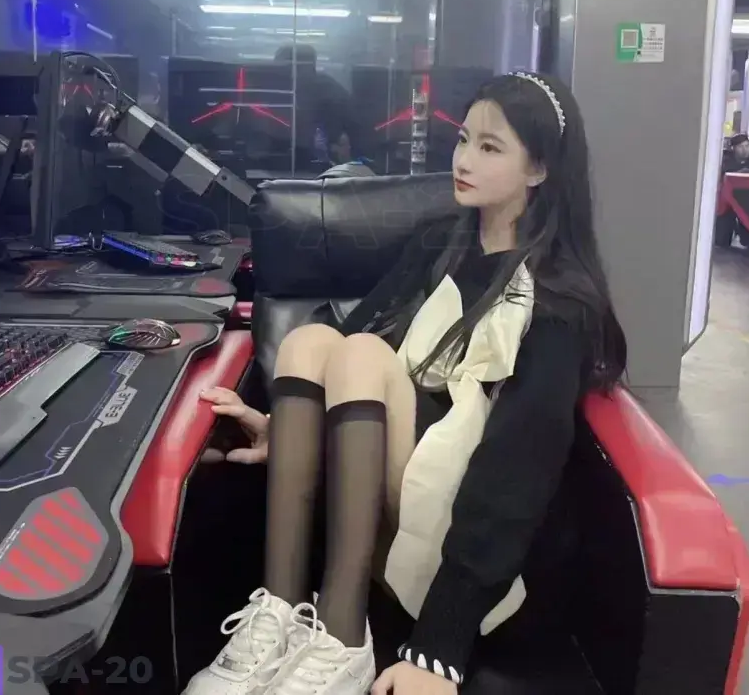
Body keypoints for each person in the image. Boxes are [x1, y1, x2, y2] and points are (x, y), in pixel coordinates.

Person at [186, 72, 627, 695]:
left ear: (539, 170)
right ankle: (278, 615)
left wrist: (440, 648)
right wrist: (284, 429)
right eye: (464, 139)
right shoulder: (438, 246)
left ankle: (344, 639)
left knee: (363, 353)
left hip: (474, 530)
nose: (464, 160)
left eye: (490, 147)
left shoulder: (556, 301)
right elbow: (347, 344)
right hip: (396, 489)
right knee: (311, 341)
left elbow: (516, 471)